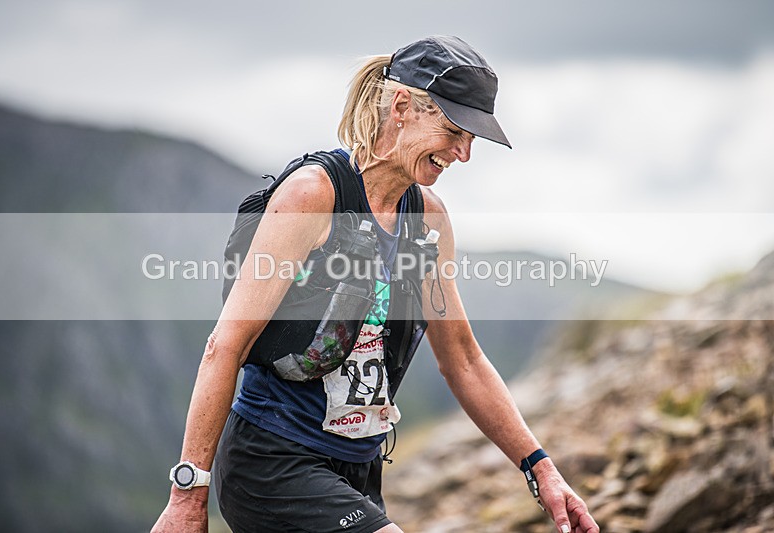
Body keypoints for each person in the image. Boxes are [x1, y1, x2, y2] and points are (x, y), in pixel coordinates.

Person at [152, 35, 599, 533]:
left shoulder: (427, 219)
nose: (465, 153)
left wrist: (541, 469)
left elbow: (464, 360)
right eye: (455, 130)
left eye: (474, 138)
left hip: (358, 471)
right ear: (403, 106)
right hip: (272, 461)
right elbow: (225, 345)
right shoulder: (313, 195)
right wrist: (186, 496)